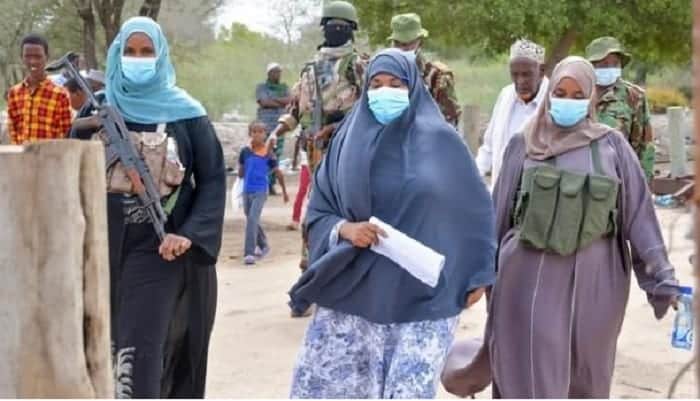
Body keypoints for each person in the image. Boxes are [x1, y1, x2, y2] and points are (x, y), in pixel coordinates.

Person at [288, 49, 496, 398]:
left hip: (423, 298)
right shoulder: (345, 142)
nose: (385, 91)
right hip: (355, 294)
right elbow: (319, 211)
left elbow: (474, 212)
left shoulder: (443, 144)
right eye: (377, 84)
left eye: (396, 84)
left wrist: (479, 273)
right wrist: (345, 229)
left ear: (413, 87)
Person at [470, 56, 679, 398]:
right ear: (549, 93)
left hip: (596, 286)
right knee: (531, 375)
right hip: (528, 283)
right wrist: (478, 274)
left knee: (588, 375)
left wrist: (662, 278)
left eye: (577, 94)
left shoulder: (612, 146)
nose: (567, 100)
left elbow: (640, 217)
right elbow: (499, 214)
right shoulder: (524, 144)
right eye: (560, 92)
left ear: (591, 98)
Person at [98, 17, 225, 398]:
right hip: (99, 250)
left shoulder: (186, 113)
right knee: (98, 347)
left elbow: (213, 179)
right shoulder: (99, 110)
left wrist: (187, 235)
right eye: (131, 52)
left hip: (158, 248)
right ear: (118, 55)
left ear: (160, 54)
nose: (138, 59)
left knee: (140, 353)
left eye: (147, 51)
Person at [270, 0, 368, 317]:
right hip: (315, 154)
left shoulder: (358, 65)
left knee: (348, 215)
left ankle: (344, 283)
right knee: (317, 215)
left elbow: (370, 107)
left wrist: (337, 127)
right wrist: (279, 131)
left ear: (350, 30)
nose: (335, 30)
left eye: (341, 25)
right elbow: (297, 110)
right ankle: (310, 280)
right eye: (331, 25)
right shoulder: (311, 67)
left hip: (348, 151)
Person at [475, 39, 548, 185]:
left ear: (541, 71)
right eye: (515, 75)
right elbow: (489, 148)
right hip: (500, 189)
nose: (520, 81)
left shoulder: (553, 101)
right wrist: (472, 176)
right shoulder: (506, 95)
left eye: (526, 74)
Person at [586, 36, 655, 180]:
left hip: (619, 177)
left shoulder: (634, 96)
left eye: (615, 64)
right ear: (591, 65)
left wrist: (643, 184)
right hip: (581, 175)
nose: (610, 69)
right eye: (603, 64)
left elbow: (645, 145)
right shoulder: (578, 92)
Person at [388, 13, 460, 126]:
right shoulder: (383, 73)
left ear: (419, 42)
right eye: (398, 43)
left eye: (408, 44)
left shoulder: (437, 76)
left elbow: (449, 124)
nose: (402, 49)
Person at [239, 121, 289, 265]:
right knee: (251, 219)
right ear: (250, 134)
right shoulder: (245, 151)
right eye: (254, 132)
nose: (257, 134)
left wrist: (285, 192)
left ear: (265, 134)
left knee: (252, 219)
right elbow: (241, 172)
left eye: (260, 132)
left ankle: (249, 253)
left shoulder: (268, 153)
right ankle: (264, 245)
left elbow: (278, 173)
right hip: (246, 190)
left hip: (261, 190)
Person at [7, 33, 71, 145]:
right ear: (21, 58)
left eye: (38, 56)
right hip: (21, 158)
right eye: (27, 56)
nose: (32, 61)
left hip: (49, 159)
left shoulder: (60, 95)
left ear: (47, 57)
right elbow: (13, 129)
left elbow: (65, 133)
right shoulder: (14, 93)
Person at [256, 62, 290, 195]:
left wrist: (273, 100)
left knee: (276, 155)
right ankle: (260, 183)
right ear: (269, 74)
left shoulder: (284, 87)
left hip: (280, 126)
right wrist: (280, 102)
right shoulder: (261, 87)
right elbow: (264, 102)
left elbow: (290, 100)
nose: (277, 74)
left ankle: (271, 184)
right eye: (274, 72)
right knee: (263, 153)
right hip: (264, 126)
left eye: (279, 71)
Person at [287, 133, 310, 231]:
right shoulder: (302, 135)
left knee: (313, 194)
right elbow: (298, 145)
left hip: (317, 165)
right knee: (302, 192)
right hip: (306, 166)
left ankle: (309, 220)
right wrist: (294, 160)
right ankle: (295, 220)